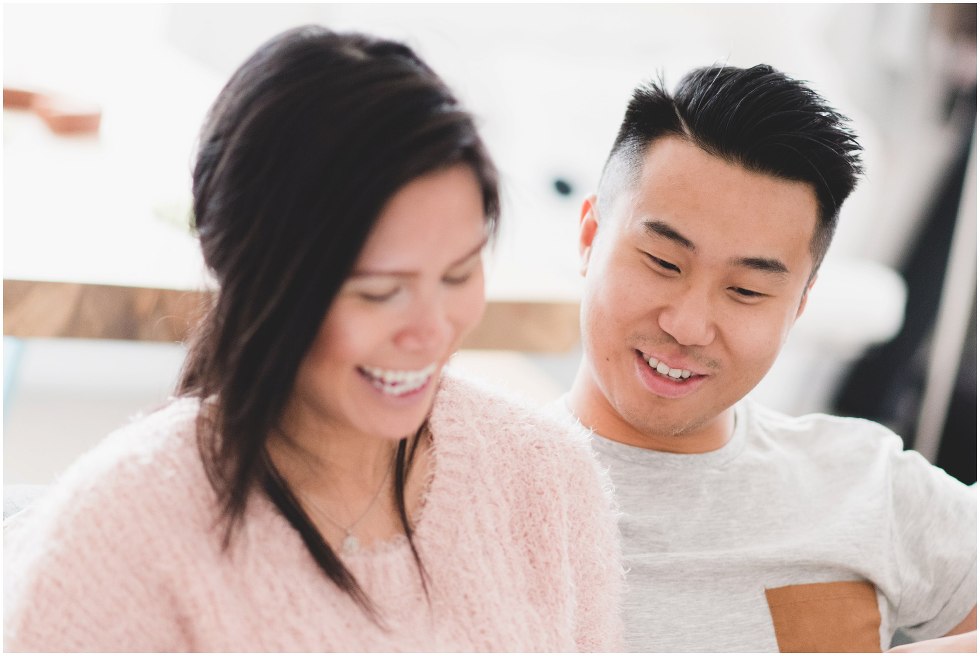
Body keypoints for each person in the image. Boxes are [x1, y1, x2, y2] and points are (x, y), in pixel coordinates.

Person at [3, 26, 623, 651]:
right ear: (251, 273)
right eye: (380, 291)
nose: (433, 329)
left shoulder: (548, 480)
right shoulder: (116, 538)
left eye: (459, 273)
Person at [562, 64, 977, 652]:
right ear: (589, 237)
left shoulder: (868, 485)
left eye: (747, 291)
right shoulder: (470, 489)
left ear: (800, 302)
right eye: (662, 262)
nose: (688, 325)